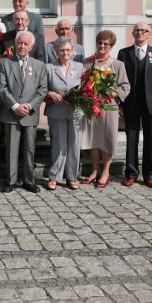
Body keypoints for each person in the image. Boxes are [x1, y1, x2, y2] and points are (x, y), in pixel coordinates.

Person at [0, 31, 48, 193]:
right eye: (20, 43)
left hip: (30, 114)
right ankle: (10, 180)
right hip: (11, 113)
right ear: (14, 45)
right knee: (11, 148)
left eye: (26, 44)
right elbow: (2, 88)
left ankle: (28, 180)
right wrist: (15, 106)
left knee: (29, 148)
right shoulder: (4, 63)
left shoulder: (39, 65)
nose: (22, 46)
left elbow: (43, 89)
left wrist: (30, 106)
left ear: (31, 47)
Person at [118, 22, 152, 188]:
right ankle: (131, 174)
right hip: (131, 103)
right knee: (131, 139)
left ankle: (149, 175)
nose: (140, 32)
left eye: (144, 30)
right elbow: (119, 80)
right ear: (132, 33)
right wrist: (119, 102)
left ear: (149, 34)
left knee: (150, 140)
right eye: (137, 30)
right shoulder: (124, 53)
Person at [80, 30, 131, 188]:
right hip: (91, 106)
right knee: (93, 139)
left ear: (111, 46)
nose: (102, 46)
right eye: (100, 42)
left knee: (107, 139)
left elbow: (126, 86)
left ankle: (106, 171)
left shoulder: (117, 65)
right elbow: (81, 83)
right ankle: (95, 170)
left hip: (109, 106)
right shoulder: (88, 63)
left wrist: (114, 93)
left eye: (106, 44)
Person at [44, 37, 85, 191]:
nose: (65, 53)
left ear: (72, 51)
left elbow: (86, 89)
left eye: (68, 50)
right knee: (58, 145)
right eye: (62, 50)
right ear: (56, 52)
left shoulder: (80, 67)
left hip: (75, 111)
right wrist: (50, 93)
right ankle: (54, 176)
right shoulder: (49, 67)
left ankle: (72, 177)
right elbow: (41, 88)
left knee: (74, 145)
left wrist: (78, 97)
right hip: (56, 110)